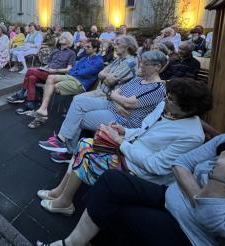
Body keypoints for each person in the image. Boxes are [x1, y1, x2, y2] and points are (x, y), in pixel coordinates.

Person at [37, 85, 225, 246]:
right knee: (87, 146)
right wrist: (124, 132)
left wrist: (220, 175)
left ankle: (68, 210)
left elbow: (217, 222)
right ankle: (64, 205)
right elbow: (180, 164)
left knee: (97, 168)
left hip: (191, 229)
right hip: (169, 192)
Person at [37, 78, 210, 216]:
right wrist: (123, 131)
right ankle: (60, 192)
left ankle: (65, 202)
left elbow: (156, 166)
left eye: (171, 99)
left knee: (88, 151)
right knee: (85, 144)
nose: (165, 100)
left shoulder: (192, 136)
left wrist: (120, 142)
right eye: (167, 95)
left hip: (140, 170)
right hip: (129, 151)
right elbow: (143, 130)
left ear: (189, 108)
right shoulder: (165, 108)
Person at [38, 50, 167, 162]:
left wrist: (118, 98)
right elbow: (116, 92)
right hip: (112, 105)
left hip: (123, 119)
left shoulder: (157, 88)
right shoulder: (139, 79)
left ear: (157, 67)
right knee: (78, 101)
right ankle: (61, 139)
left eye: (146, 63)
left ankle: (69, 152)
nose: (141, 66)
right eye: (141, 62)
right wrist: (117, 99)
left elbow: (128, 103)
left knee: (79, 118)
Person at [24, 39, 104, 129]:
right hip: (72, 78)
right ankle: (43, 110)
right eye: (85, 46)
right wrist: (74, 72)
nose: (85, 48)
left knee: (49, 86)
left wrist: (74, 72)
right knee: (50, 78)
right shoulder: (84, 58)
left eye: (88, 47)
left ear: (95, 49)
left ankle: (41, 114)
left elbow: (85, 72)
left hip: (80, 83)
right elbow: (73, 70)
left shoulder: (99, 61)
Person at [7, 33, 76, 114]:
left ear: (69, 41)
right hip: (46, 72)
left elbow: (69, 69)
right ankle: (30, 104)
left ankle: (21, 94)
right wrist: (44, 68)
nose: (61, 38)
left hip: (55, 75)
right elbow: (49, 64)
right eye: (62, 36)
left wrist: (55, 70)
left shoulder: (71, 53)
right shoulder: (55, 51)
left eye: (64, 38)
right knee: (31, 77)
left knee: (30, 71)